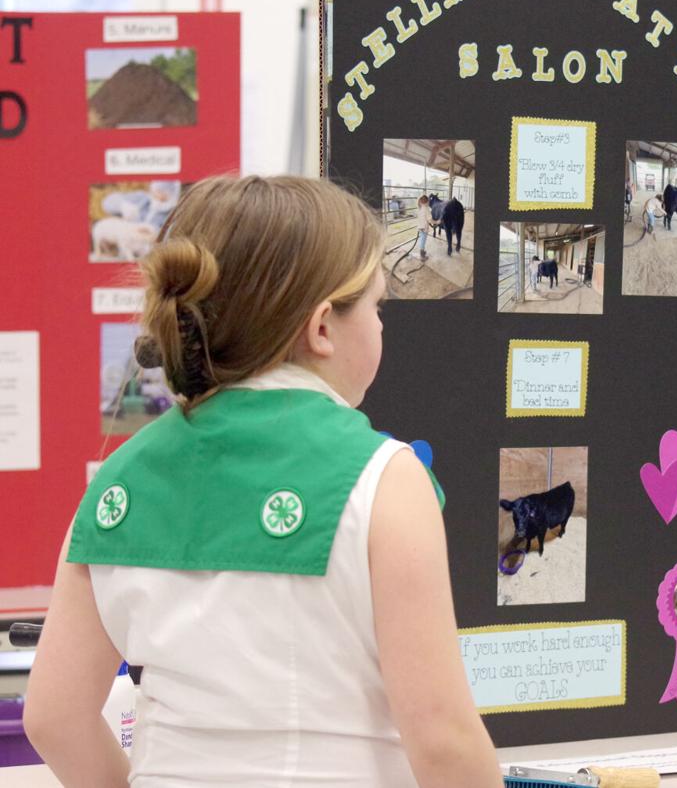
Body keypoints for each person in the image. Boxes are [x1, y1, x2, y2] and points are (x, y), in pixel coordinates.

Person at [24, 175, 503, 788]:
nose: (382, 327)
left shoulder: (117, 481)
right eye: (378, 307)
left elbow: (54, 719)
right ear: (323, 327)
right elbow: (444, 741)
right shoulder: (385, 478)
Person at [415, 193, 431, 261]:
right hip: (424, 228)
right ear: (427, 202)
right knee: (423, 241)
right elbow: (430, 220)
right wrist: (438, 221)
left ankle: (422, 251)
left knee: (421, 239)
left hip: (420, 227)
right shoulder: (426, 209)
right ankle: (422, 255)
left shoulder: (420, 208)